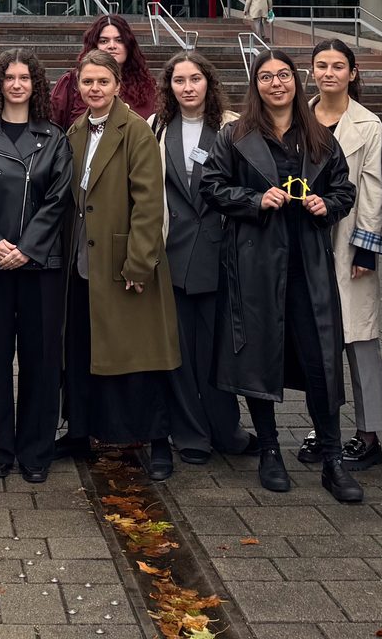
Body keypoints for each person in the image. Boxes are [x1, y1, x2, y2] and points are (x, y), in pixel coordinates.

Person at [202, 49, 363, 504]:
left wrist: (326, 206)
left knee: (321, 360)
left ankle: (332, 457)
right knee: (260, 357)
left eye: (284, 75)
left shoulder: (320, 137)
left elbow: (343, 189)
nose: (277, 83)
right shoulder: (235, 135)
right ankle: (269, 448)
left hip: (308, 264)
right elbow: (211, 186)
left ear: (298, 81)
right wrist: (255, 201)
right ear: (256, 86)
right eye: (267, 77)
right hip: (256, 264)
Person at [59, 49, 180, 480]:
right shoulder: (74, 131)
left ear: (117, 85)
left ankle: (157, 441)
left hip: (125, 261)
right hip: (83, 262)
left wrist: (139, 262)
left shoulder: (136, 132)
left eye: (102, 82)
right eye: (87, 82)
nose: (94, 89)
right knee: (88, 353)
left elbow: (149, 202)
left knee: (140, 357)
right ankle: (84, 431)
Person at [0, 48, 72, 482]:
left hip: (41, 264)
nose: (18, 84)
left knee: (42, 360)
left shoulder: (54, 137)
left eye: (25, 77)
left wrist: (27, 247)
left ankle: (36, 449)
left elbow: (60, 197)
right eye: (10, 77)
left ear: (35, 85)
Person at [152, 50, 252, 467]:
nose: (187, 88)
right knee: (179, 352)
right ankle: (190, 432)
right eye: (179, 81)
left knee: (219, 350)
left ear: (208, 83)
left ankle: (226, 430)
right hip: (173, 252)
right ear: (169, 87)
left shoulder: (234, 127)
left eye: (195, 79)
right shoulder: (156, 127)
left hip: (220, 252)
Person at [299, 38, 382, 471]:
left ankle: (369, 435)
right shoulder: (300, 117)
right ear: (312, 71)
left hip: (349, 240)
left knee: (360, 339)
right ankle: (325, 427)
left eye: (338, 66)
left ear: (353, 73)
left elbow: (374, 190)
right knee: (319, 342)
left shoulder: (368, 124)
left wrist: (367, 250)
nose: (329, 72)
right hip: (306, 239)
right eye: (322, 65)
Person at [50, 15, 159, 128]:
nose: (112, 46)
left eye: (119, 40)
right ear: (94, 45)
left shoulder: (147, 86)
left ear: (129, 45)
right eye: (104, 41)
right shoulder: (70, 83)